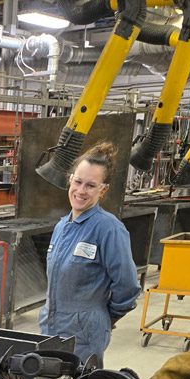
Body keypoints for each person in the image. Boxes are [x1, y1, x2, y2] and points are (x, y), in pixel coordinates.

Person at [39, 140, 140, 364]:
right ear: (70, 180)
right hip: (50, 326)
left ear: (103, 190)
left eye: (91, 185)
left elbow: (128, 287)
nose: (81, 191)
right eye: (78, 182)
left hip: (84, 334)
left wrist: (101, 317)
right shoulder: (62, 226)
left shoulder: (108, 229)